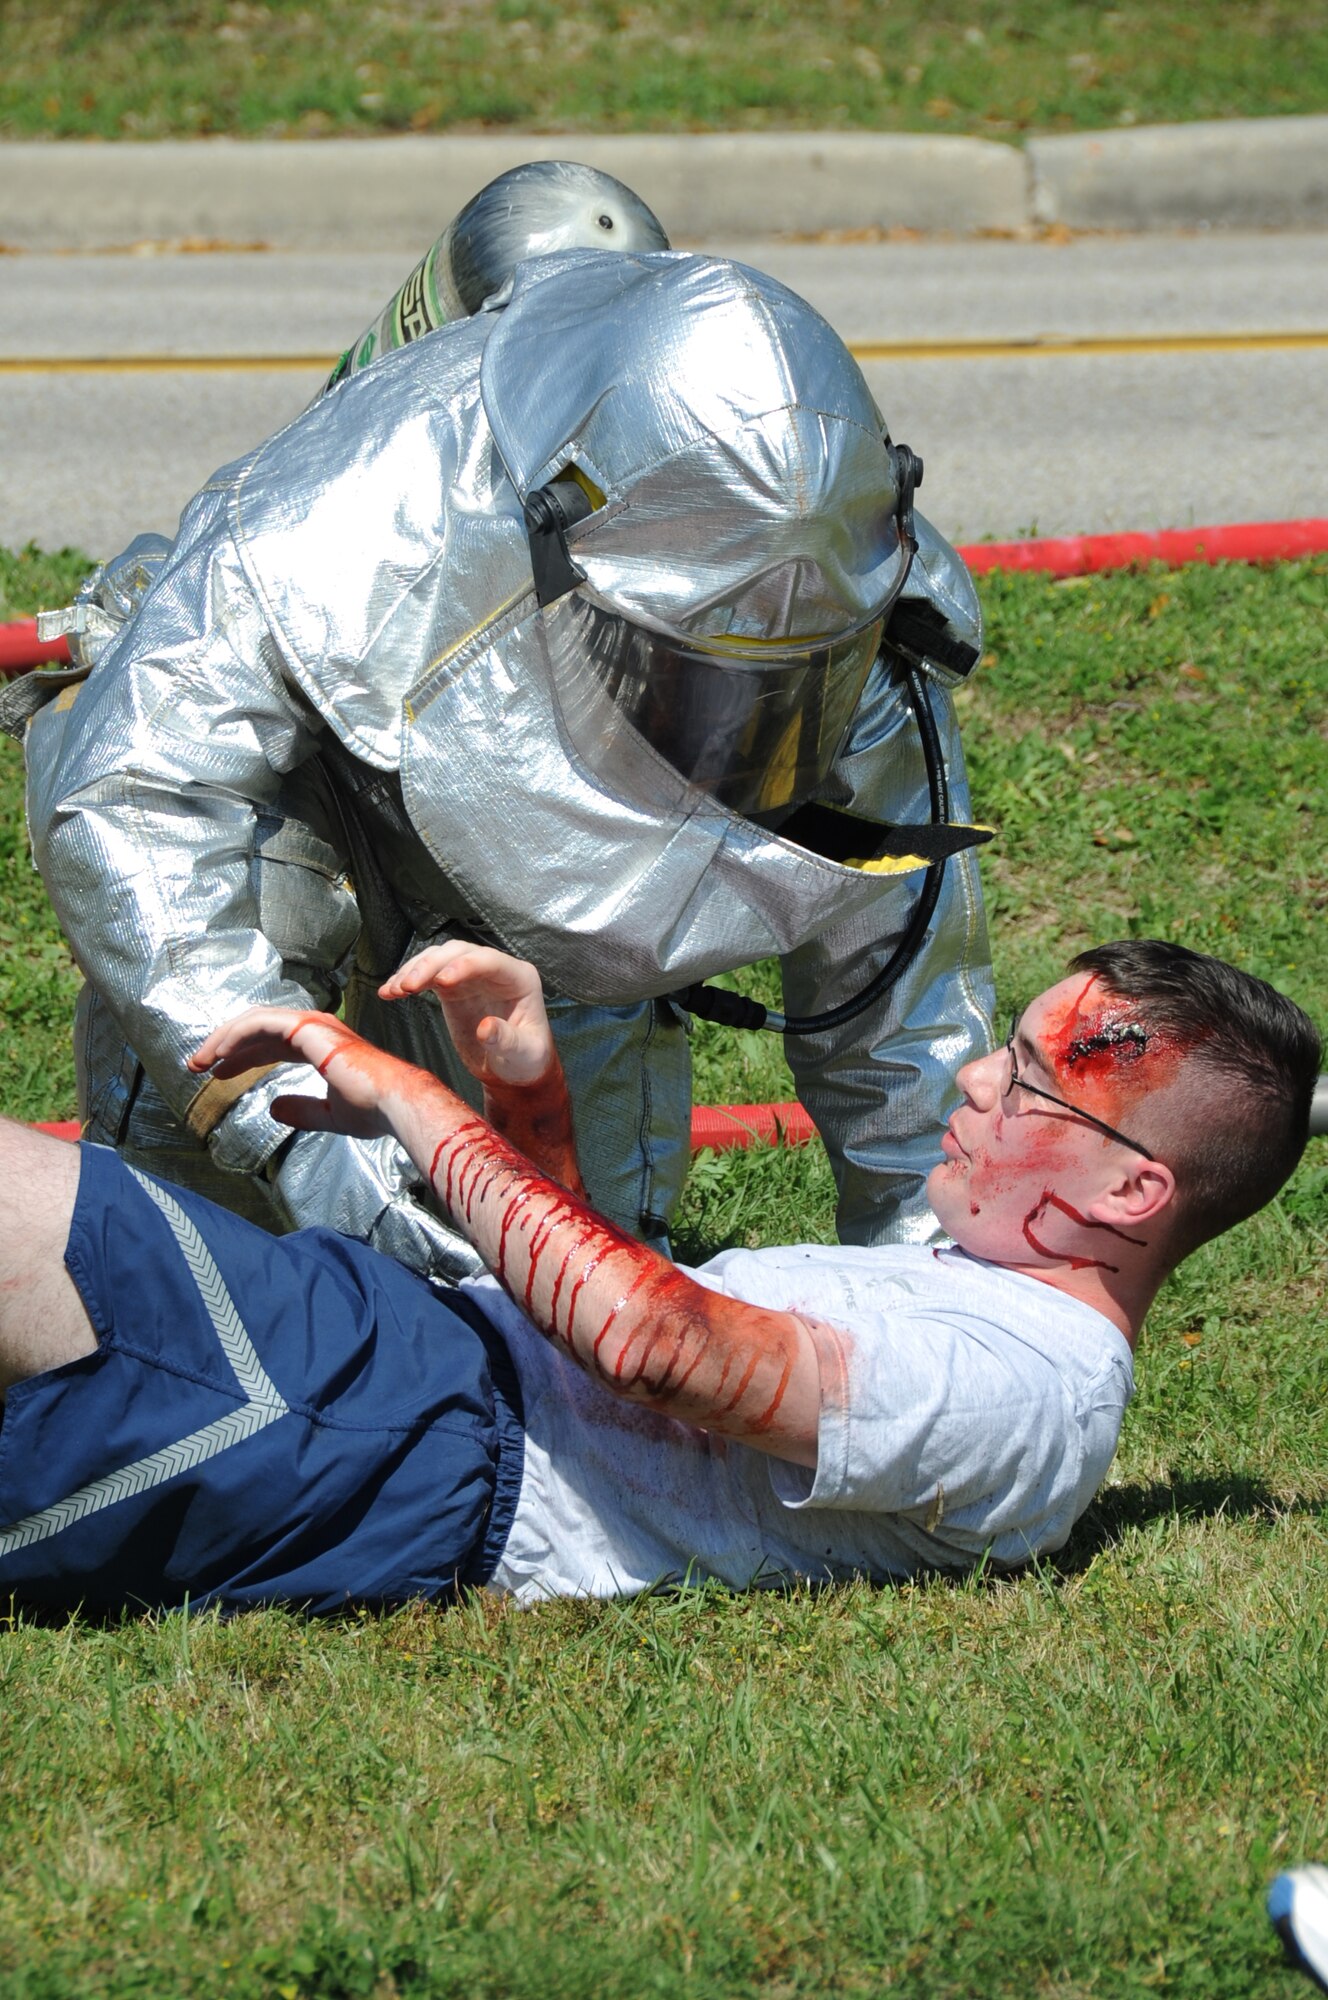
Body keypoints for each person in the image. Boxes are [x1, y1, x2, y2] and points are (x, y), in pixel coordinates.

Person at [6, 225, 993, 1284]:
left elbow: (908, 1022)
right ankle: (183, 1296)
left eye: (787, 669)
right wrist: (288, 1132)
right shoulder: (344, 515)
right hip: (329, 780)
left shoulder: (868, 621)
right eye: (693, 669)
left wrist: (944, 1297)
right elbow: (135, 794)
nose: (734, 721)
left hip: (541, 905)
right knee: (223, 1229)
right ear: (563, 540)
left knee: (572, 1274)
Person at [0, 937, 1317, 1614]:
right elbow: (605, 1313)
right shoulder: (982, 1303)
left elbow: (651, 1348)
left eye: (1028, 1078)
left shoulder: (1030, 1392)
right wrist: (525, 1096)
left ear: (1131, 1191)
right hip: (390, 1391)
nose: (976, 1078)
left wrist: (407, 1094)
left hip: (389, 1432)